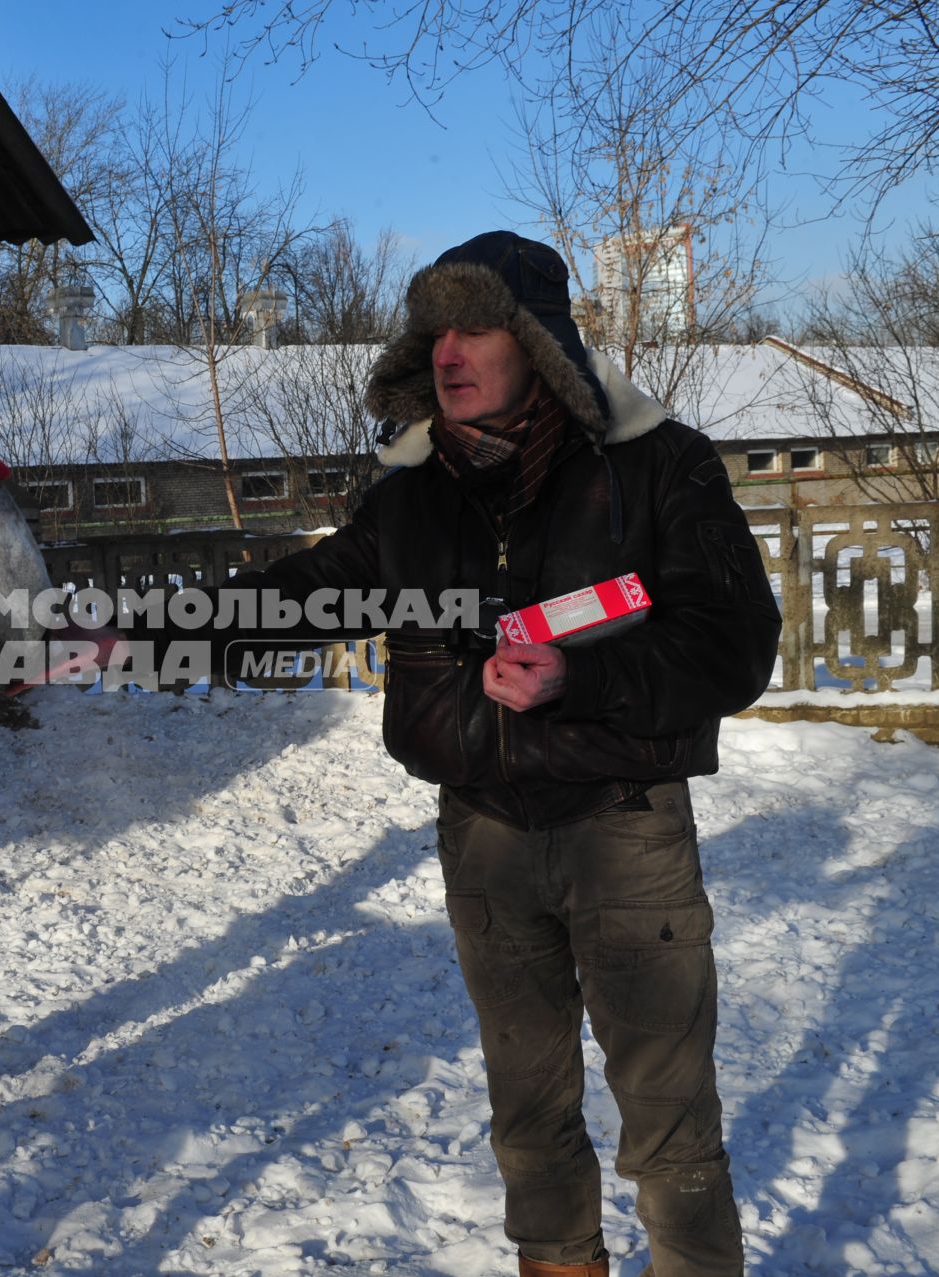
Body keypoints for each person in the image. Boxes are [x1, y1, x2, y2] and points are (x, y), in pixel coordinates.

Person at [151, 232, 779, 1276]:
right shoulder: (413, 489)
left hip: (626, 830)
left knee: (669, 1132)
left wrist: (581, 678)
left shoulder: (657, 463)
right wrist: (148, 634)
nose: (449, 348)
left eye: (476, 323)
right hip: (482, 838)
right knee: (528, 1121)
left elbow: (735, 644)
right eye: (435, 327)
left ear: (537, 343)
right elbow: (308, 596)